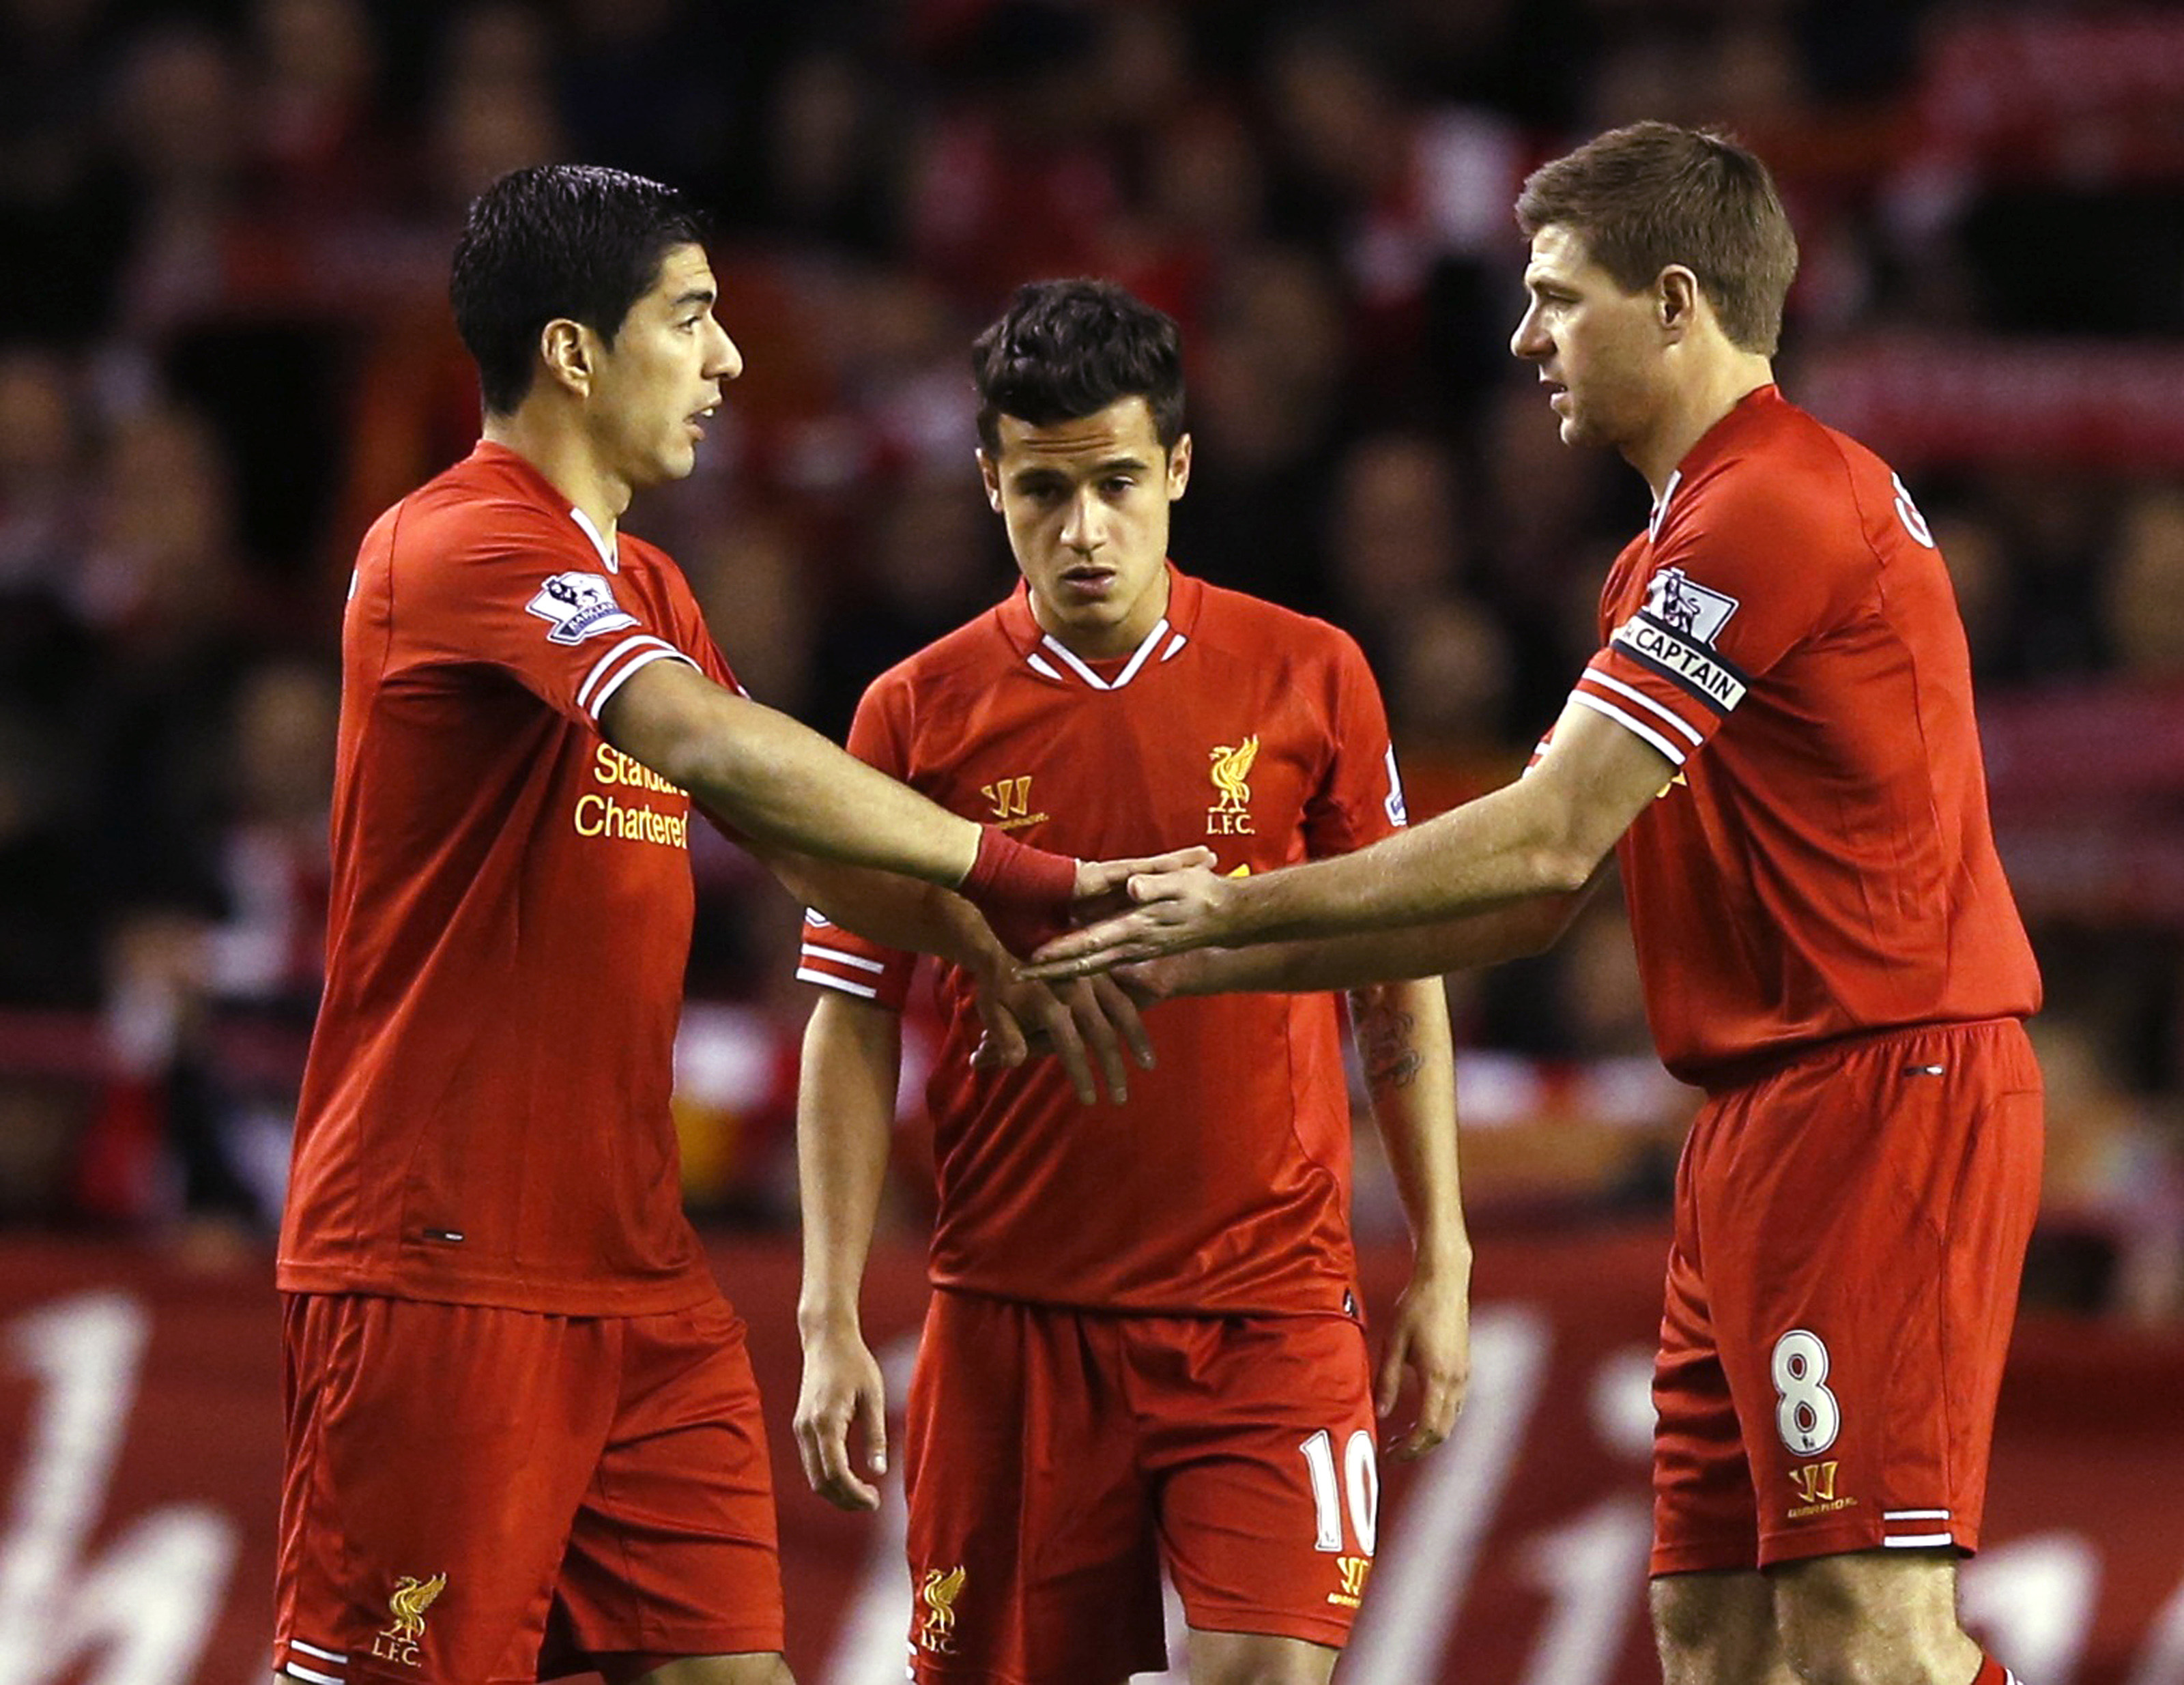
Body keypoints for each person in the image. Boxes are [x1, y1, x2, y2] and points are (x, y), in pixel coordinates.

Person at [1035, 125, 2041, 1685]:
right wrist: (1188, 962)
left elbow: (1540, 841)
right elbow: (1517, 907)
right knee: (1709, 1632)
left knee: (1870, 1640)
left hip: (1875, 1091)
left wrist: (1219, 910)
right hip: (1756, 1122)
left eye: (1557, 297)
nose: (1524, 338)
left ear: (1675, 302)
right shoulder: (1666, 552)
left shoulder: (1770, 507)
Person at [272, 166, 1182, 1685]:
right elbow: (707, 747)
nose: (729, 359)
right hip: (440, 1256)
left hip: (636, 1272)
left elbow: (792, 825)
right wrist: (1025, 873)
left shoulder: (652, 585)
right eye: (691, 319)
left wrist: (976, 938)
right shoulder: (453, 542)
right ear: (575, 351)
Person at [790, 278, 1471, 1685]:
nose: (1081, 528)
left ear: (1175, 466)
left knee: (1266, 1671)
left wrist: (1444, 1250)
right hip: (1012, 1317)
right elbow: (851, 1011)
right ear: (989, 482)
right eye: (1041, 488)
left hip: (1267, 1311)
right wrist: (827, 1310)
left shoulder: (1310, 675)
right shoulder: (911, 711)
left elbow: (1396, 977)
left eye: (1113, 481)